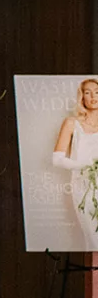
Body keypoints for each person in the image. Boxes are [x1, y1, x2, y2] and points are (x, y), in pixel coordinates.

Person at [52, 77, 98, 249]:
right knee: (93, 237)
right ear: (82, 97)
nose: (93, 96)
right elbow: (57, 159)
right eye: (88, 92)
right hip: (84, 186)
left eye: (97, 92)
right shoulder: (72, 123)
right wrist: (85, 166)